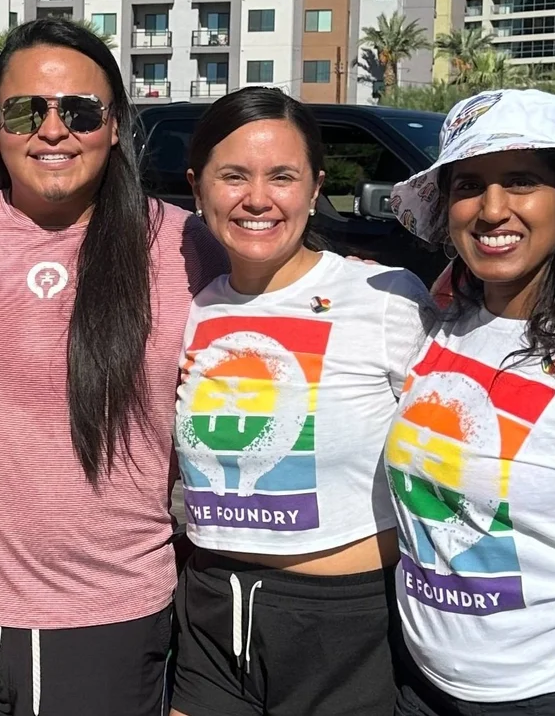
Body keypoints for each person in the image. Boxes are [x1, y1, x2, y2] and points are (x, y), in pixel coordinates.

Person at [0, 18, 224, 716]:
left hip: (109, 619)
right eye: (25, 111)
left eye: (78, 111)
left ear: (113, 126)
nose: (52, 130)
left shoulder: (182, 245)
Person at [387, 88, 555, 714]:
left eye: (521, 182)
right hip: (425, 687)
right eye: (468, 185)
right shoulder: (442, 321)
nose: (491, 209)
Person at [167, 86, 433, 716]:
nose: (257, 199)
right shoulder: (189, 307)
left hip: (344, 629)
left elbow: (472, 428)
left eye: (281, 176)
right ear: (197, 186)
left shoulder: (384, 296)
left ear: (315, 188)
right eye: (232, 175)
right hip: (210, 613)